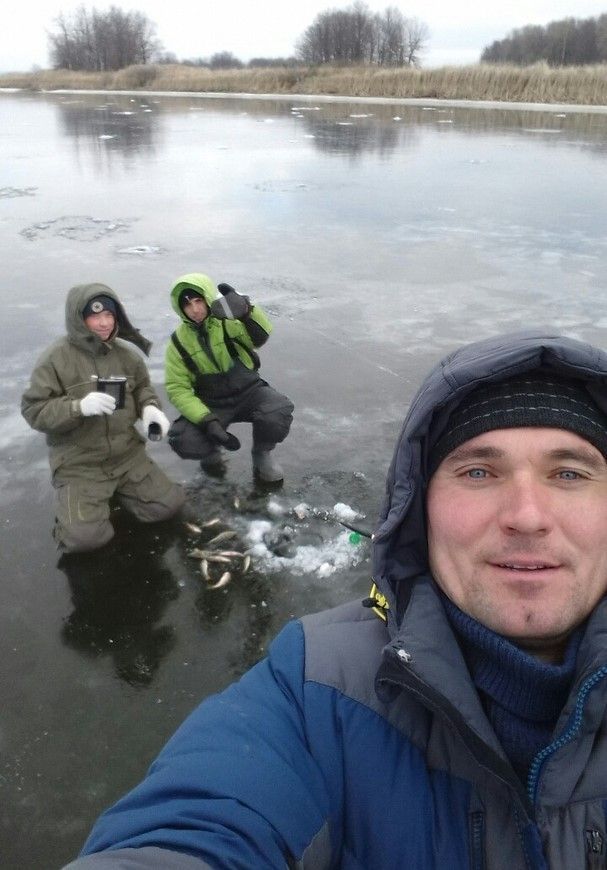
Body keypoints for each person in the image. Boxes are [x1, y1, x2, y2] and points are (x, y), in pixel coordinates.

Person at [66, 330, 607, 869]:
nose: (527, 516)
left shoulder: (229, 324)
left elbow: (258, 335)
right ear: (421, 505)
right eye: (478, 472)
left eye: (568, 473)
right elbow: (196, 824)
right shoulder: (314, 687)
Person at [21, 283, 185, 553]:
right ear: (78, 319)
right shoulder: (54, 359)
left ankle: (116, 493)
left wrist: (151, 410)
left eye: (109, 315)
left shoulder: (127, 355)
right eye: (95, 316)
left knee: (169, 506)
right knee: (85, 540)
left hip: (126, 454)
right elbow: (33, 410)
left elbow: (143, 389)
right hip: (80, 462)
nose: (104, 322)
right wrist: (78, 408)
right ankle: (78, 509)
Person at [164, 273, 293, 483]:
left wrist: (247, 312)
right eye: (187, 305)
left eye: (198, 301)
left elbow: (260, 337)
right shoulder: (177, 342)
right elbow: (177, 389)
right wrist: (207, 421)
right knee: (183, 439)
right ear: (181, 309)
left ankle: (261, 453)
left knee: (278, 410)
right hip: (212, 403)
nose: (195, 309)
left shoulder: (227, 321)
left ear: (207, 299)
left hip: (249, 392)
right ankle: (210, 452)